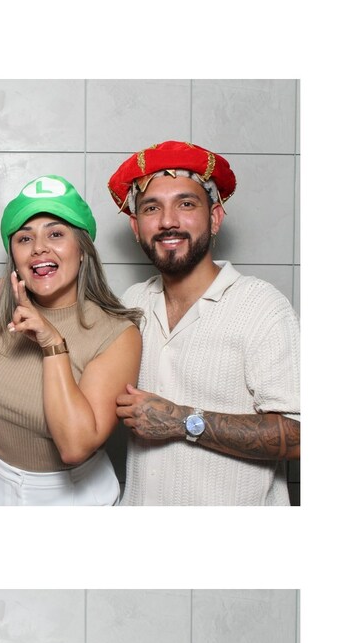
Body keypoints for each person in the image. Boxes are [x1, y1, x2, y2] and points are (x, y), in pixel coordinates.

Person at [107, 141, 301, 505]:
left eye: (186, 204)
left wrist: (183, 421)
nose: (168, 221)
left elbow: (301, 435)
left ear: (214, 218)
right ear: (136, 226)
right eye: (152, 208)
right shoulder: (131, 303)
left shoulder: (262, 307)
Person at [0, 176, 141, 504]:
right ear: (14, 257)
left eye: (56, 234)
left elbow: (76, 447)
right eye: (24, 238)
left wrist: (52, 343)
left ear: (82, 250)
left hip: (71, 496)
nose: (39, 248)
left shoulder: (117, 334)